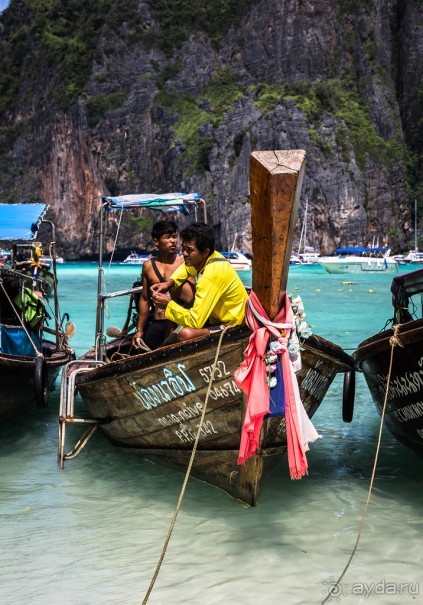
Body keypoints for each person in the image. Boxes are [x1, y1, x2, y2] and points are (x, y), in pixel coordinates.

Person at [151, 222, 248, 342]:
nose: (184, 254)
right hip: (215, 318)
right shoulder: (210, 257)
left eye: (189, 250)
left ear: (205, 252)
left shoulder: (211, 274)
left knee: (185, 334)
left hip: (232, 324)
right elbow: (186, 268)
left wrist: (168, 305)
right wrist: (170, 283)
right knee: (172, 338)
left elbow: (196, 321)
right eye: (183, 249)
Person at [131, 220, 195, 350]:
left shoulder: (185, 263)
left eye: (174, 236)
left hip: (179, 323)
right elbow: (144, 298)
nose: (173, 241)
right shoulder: (148, 266)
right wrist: (139, 330)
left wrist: (171, 286)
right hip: (157, 321)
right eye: (168, 237)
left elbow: (191, 297)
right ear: (156, 242)